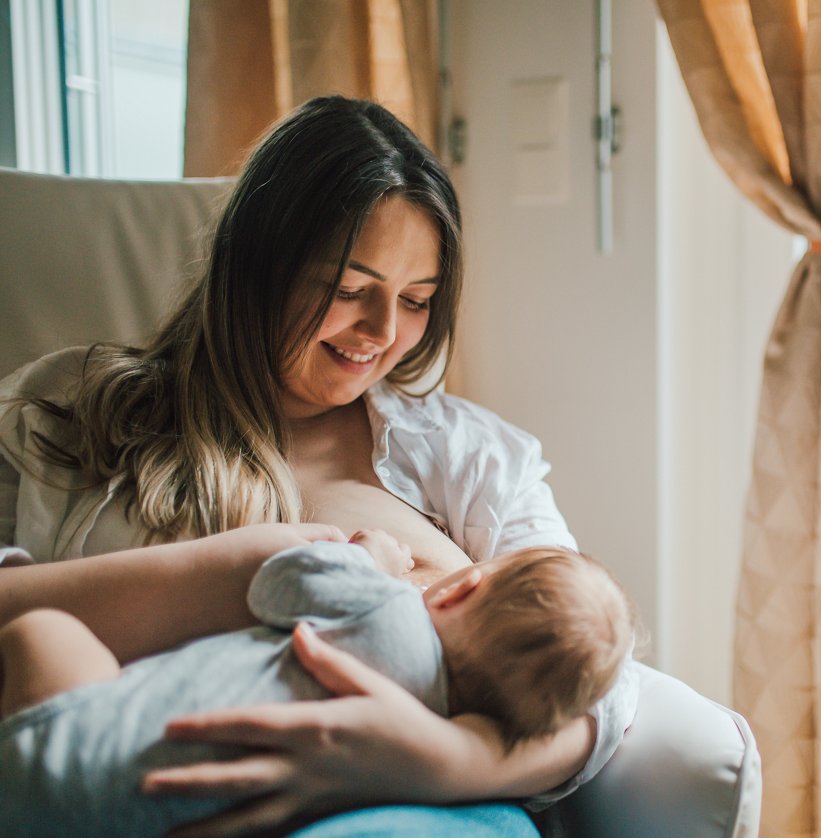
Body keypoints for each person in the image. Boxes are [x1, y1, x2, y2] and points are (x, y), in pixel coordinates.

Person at [0, 95, 752, 837]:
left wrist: (441, 759)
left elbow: (595, 672)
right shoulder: (69, 411)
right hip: (141, 787)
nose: (383, 333)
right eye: (351, 291)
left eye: (417, 299)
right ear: (256, 266)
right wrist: (226, 576)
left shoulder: (464, 459)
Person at [0, 529, 636, 838]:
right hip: (177, 817)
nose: (382, 328)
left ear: (465, 584)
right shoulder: (442, 711)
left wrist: (372, 561)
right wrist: (466, 750)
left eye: (417, 300)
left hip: (73, 761)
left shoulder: (386, 607)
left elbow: (280, 584)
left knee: (44, 635)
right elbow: (598, 678)